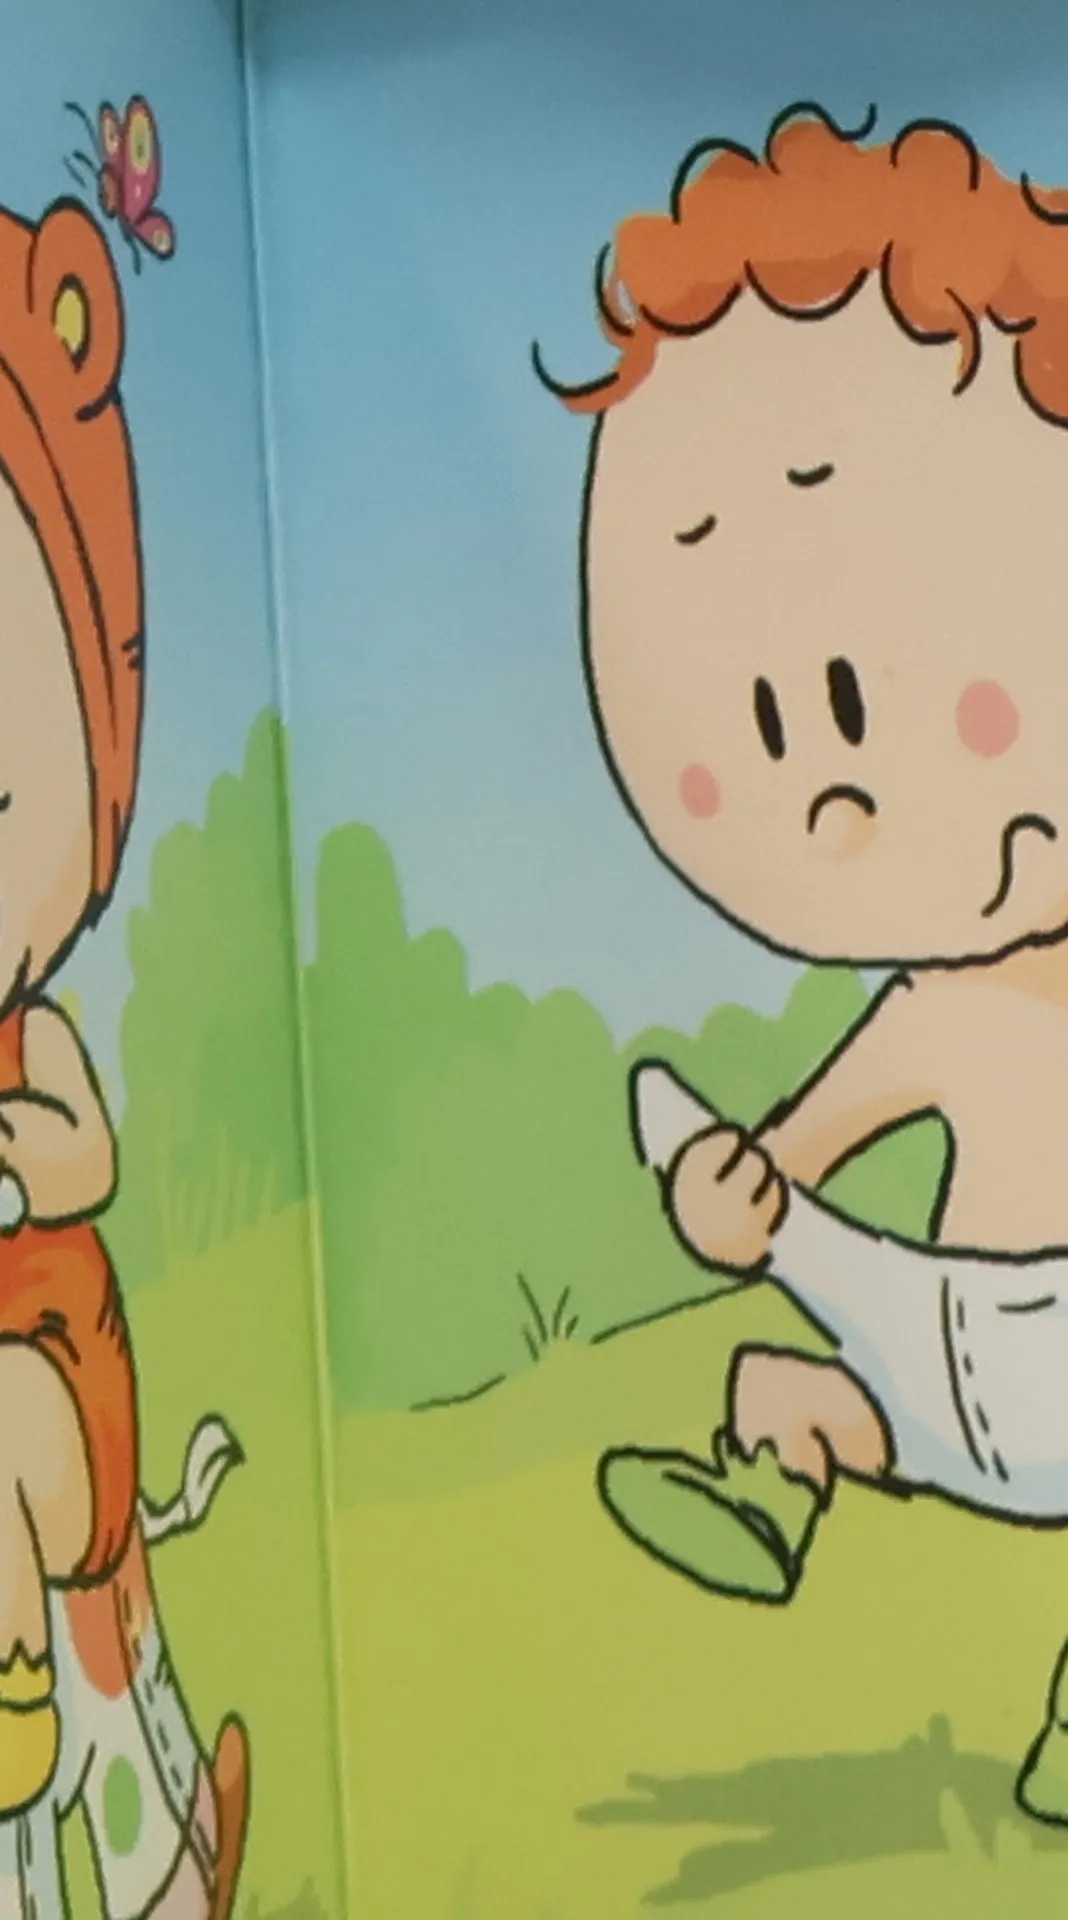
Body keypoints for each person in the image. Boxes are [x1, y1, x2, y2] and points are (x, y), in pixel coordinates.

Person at [565, 108, 1068, 1833]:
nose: (839, 784)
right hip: (976, 1350)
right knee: (881, 1384)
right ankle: (776, 1458)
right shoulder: (925, 1016)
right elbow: (794, 1158)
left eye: (873, 692)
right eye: (770, 725)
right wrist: (732, 1195)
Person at [0, 194, 247, 1916]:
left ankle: (50, 1711)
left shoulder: (38, 1036)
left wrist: (32, 1160)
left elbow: (84, 1157)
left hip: (50, 1351)